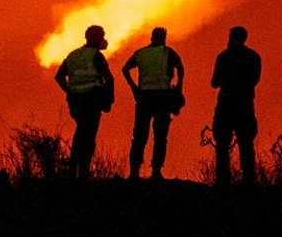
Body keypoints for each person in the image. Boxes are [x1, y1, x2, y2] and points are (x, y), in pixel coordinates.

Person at [122, 26, 185, 180]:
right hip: (162, 97)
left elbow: (125, 69)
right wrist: (178, 88)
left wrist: (134, 88)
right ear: (164, 37)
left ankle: (134, 172)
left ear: (151, 37)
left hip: (143, 97)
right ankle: (156, 171)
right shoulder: (168, 52)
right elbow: (181, 68)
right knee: (160, 135)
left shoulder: (140, 53)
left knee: (139, 135)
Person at [53, 24, 114, 180]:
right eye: (101, 36)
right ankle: (83, 172)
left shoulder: (72, 55)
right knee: (89, 135)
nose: (103, 40)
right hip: (92, 100)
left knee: (80, 131)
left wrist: (69, 91)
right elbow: (109, 79)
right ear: (94, 38)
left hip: (75, 101)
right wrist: (109, 100)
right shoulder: (96, 56)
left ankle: (73, 169)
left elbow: (59, 77)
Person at [209, 25, 262, 185]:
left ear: (231, 38)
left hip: (226, 105)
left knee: (223, 144)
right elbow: (255, 80)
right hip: (245, 105)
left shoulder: (223, 57)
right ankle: (249, 179)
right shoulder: (253, 57)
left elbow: (214, 82)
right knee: (246, 143)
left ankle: (223, 181)